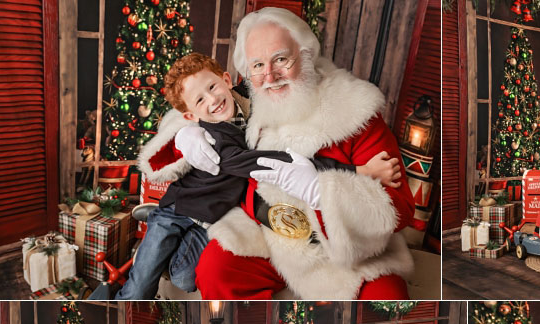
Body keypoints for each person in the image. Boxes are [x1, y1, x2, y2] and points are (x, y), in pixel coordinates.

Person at [139, 8, 415, 299]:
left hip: (340, 254)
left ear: (306, 53)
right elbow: (197, 100)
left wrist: (321, 192)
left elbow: (399, 209)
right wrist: (185, 133)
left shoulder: (354, 110)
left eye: (281, 59)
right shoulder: (252, 94)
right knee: (213, 271)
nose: (269, 75)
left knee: (387, 294)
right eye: (257, 64)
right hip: (264, 235)